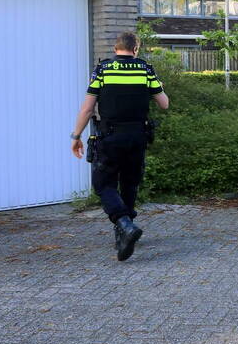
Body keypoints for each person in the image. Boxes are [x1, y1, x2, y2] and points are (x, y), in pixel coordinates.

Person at [70, 32, 169, 261]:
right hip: (138, 136)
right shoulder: (145, 69)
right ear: (135, 49)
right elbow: (164, 104)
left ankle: (123, 223)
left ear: (116, 49)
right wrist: (159, 86)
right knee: (129, 183)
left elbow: (87, 109)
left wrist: (76, 136)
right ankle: (126, 232)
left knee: (103, 183)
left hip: (110, 137)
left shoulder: (103, 71)